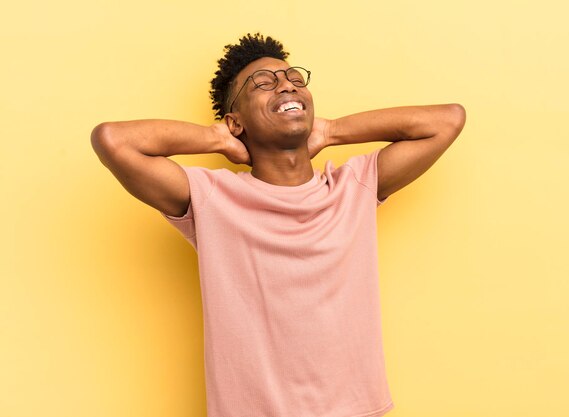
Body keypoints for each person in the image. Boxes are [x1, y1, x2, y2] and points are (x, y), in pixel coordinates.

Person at [91, 33, 466, 417]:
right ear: (236, 120)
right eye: (263, 83)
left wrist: (334, 130)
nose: (286, 84)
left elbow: (447, 120)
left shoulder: (352, 187)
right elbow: (114, 141)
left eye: (294, 80)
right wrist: (217, 138)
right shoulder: (211, 199)